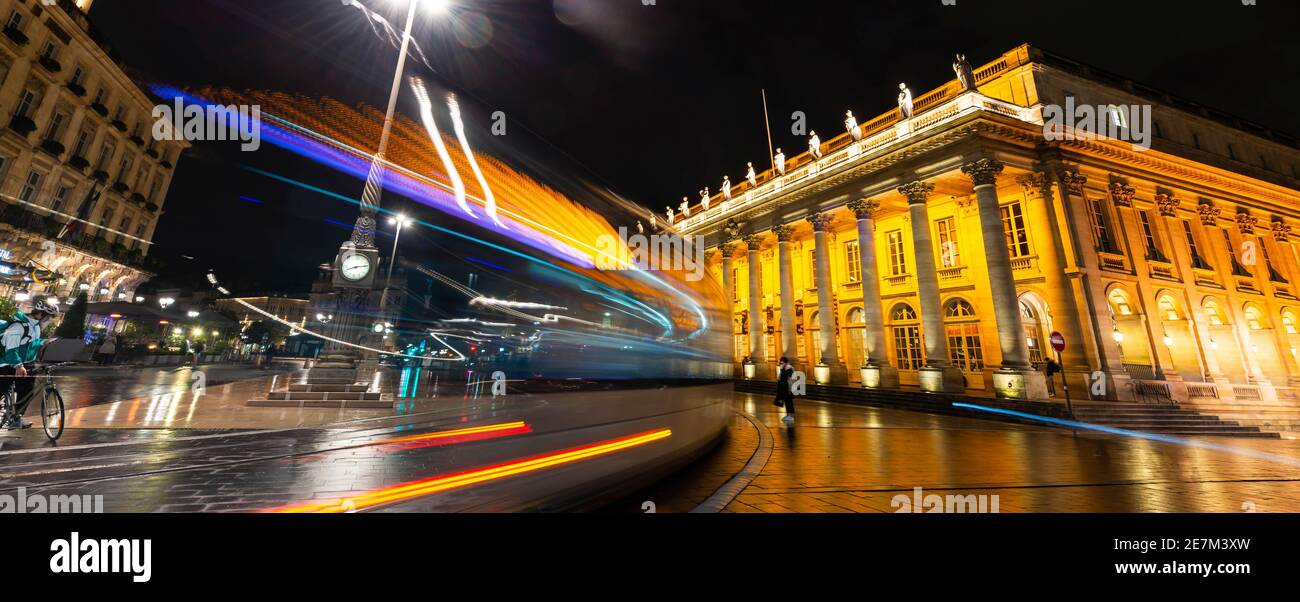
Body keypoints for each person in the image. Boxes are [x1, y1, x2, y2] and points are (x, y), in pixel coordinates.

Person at [0, 299, 59, 429]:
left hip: (26, 363)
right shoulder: (18, 326)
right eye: (49, 317)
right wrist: (18, 366)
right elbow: (11, 349)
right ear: (40, 314)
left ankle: (16, 418)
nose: (49, 320)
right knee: (1, 388)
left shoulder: (35, 326)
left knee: (27, 391)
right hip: (7, 364)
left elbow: (30, 343)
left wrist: (42, 342)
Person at [774, 356, 796, 426]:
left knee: (789, 402)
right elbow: (780, 378)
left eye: (782, 362)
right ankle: (788, 415)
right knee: (786, 401)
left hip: (788, 387)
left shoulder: (789, 368)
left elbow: (791, 379)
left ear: (785, 362)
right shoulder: (783, 368)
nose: (780, 363)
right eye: (780, 362)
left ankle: (791, 416)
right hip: (783, 387)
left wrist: (791, 388)